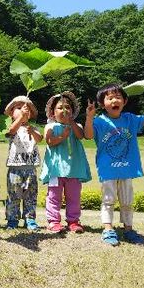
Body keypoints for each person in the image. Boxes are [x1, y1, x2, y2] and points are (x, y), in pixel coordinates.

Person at [84, 84, 144, 246]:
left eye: (118, 97)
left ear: (124, 101)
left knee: (127, 200)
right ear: (102, 103)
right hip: (108, 169)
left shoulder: (130, 119)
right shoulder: (99, 121)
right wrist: (89, 118)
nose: (114, 101)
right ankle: (108, 229)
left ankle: (128, 229)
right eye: (110, 98)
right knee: (108, 199)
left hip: (126, 168)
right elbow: (88, 135)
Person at [40, 92, 91, 234]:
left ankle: (73, 221)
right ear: (52, 112)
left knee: (74, 196)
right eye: (60, 107)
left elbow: (81, 136)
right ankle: (53, 221)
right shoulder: (50, 126)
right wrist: (63, 136)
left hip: (73, 169)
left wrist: (71, 122)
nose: (64, 110)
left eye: (68, 107)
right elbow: (49, 142)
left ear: (73, 112)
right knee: (54, 196)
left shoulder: (76, 125)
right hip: (56, 169)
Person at [3, 96, 42, 230]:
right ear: (11, 113)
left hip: (30, 167)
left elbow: (39, 139)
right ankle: (12, 219)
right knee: (14, 194)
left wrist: (33, 132)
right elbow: (11, 131)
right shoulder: (12, 126)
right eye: (19, 108)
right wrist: (20, 118)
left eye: (26, 109)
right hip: (15, 167)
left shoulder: (33, 127)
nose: (23, 110)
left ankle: (30, 219)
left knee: (30, 195)